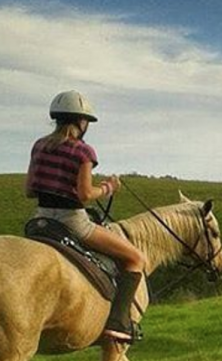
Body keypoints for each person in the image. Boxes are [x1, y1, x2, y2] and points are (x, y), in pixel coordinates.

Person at [25, 90, 146, 342]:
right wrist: (108, 187)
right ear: (81, 122)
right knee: (136, 258)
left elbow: (29, 190)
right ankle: (118, 323)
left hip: (40, 220)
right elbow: (84, 194)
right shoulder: (83, 152)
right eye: (86, 122)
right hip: (72, 221)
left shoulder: (39, 145)